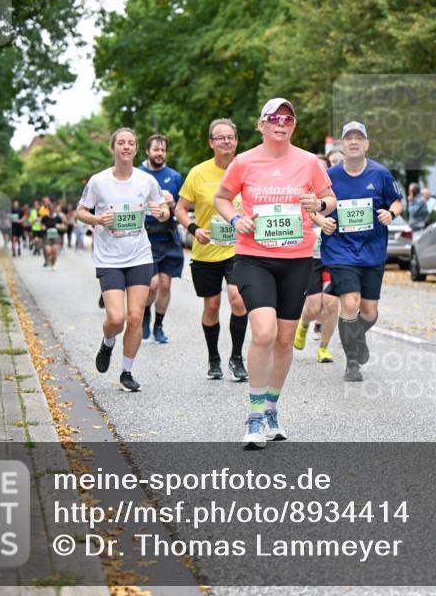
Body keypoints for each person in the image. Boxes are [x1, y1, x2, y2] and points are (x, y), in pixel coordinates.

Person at [214, 98, 336, 448]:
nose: (281, 123)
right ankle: (254, 416)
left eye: (288, 119)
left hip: (296, 259)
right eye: (274, 118)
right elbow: (222, 198)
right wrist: (237, 219)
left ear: (293, 126)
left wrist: (319, 204)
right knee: (264, 332)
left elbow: (330, 200)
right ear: (261, 124)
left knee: (284, 339)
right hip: (254, 258)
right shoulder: (244, 161)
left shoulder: (308, 162)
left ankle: (271, 409)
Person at [76, 127, 170, 392]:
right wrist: (97, 219)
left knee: (135, 316)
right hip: (109, 259)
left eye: (131, 143)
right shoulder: (99, 181)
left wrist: (161, 212)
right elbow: (80, 212)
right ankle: (108, 342)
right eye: (121, 143)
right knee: (116, 319)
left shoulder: (146, 181)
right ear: (113, 148)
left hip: (139, 255)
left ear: (136, 149)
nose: (126, 146)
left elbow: (163, 210)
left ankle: (126, 372)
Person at [320, 121, 403, 382]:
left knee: (369, 311)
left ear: (366, 144)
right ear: (342, 144)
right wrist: (321, 220)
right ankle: (352, 362)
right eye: (349, 138)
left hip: (372, 251)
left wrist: (390, 214)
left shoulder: (380, 174)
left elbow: (397, 201)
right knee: (350, 302)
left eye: (359, 138)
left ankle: (357, 335)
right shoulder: (330, 175)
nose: (354, 142)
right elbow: (313, 205)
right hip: (340, 249)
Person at [176, 118, 250, 381]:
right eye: (220, 137)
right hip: (206, 249)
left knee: (238, 299)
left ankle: (237, 358)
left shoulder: (247, 170)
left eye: (230, 137)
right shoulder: (198, 173)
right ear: (211, 143)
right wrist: (194, 228)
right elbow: (180, 209)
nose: (226, 141)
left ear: (236, 141)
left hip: (239, 249)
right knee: (211, 306)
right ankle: (213, 358)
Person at [137, 134, 184, 344]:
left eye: (163, 150)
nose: (160, 153)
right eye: (156, 149)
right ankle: (145, 314)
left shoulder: (174, 177)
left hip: (168, 237)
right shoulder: (138, 175)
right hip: (146, 238)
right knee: (152, 285)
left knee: (165, 285)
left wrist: (172, 204)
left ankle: (158, 326)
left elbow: (182, 208)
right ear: (147, 151)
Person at [295, 155, 340, 362]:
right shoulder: (302, 190)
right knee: (313, 307)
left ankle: (324, 347)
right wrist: (321, 220)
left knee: (331, 304)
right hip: (310, 256)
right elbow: (308, 212)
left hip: (332, 255)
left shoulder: (334, 193)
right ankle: (304, 324)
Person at [41, 203, 64, 267]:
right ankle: (49, 259)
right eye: (50, 209)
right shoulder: (45, 217)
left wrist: (59, 226)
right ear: (48, 209)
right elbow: (42, 225)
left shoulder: (58, 218)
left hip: (56, 235)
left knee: (54, 250)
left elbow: (63, 226)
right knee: (48, 251)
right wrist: (43, 227)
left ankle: (53, 263)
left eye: (52, 209)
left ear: (54, 209)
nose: (51, 210)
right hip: (47, 235)